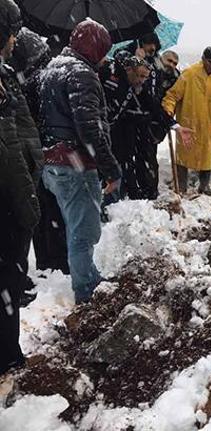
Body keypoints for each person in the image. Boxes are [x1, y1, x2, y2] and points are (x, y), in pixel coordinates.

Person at [39, 19, 121, 305]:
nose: (105, 56)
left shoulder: (51, 69)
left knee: (73, 223)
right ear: (94, 46)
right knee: (84, 228)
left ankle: (87, 275)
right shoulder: (81, 74)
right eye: (103, 49)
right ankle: (86, 289)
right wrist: (111, 168)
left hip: (53, 159)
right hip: (75, 162)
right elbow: (90, 128)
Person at [0, 0, 41, 375]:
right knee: (6, 281)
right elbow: (9, 147)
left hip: (11, 195)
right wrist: (27, 200)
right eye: (11, 32)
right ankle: (7, 358)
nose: (15, 39)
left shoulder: (6, 74)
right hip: (7, 200)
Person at [10, 27, 69, 275]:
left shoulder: (21, 79)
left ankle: (46, 260)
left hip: (32, 152)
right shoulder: (39, 79)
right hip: (38, 152)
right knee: (47, 209)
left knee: (38, 211)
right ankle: (53, 261)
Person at [100, 55, 193, 201]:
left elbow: (154, 106)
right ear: (129, 70)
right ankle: (108, 198)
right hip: (99, 127)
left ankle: (127, 195)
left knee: (125, 160)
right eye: (140, 76)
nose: (142, 80)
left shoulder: (137, 87)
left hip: (112, 126)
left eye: (146, 78)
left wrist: (175, 126)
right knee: (109, 162)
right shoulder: (110, 76)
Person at [162, 46, 211, 196]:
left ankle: (204, 186)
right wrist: (168, 109)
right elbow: (172, 95)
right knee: (183, 156)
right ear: (203, 59)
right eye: (209, 61)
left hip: (208, 125)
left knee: (206, 156)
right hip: (188, 123)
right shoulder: (189, 74)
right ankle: (181, 187)